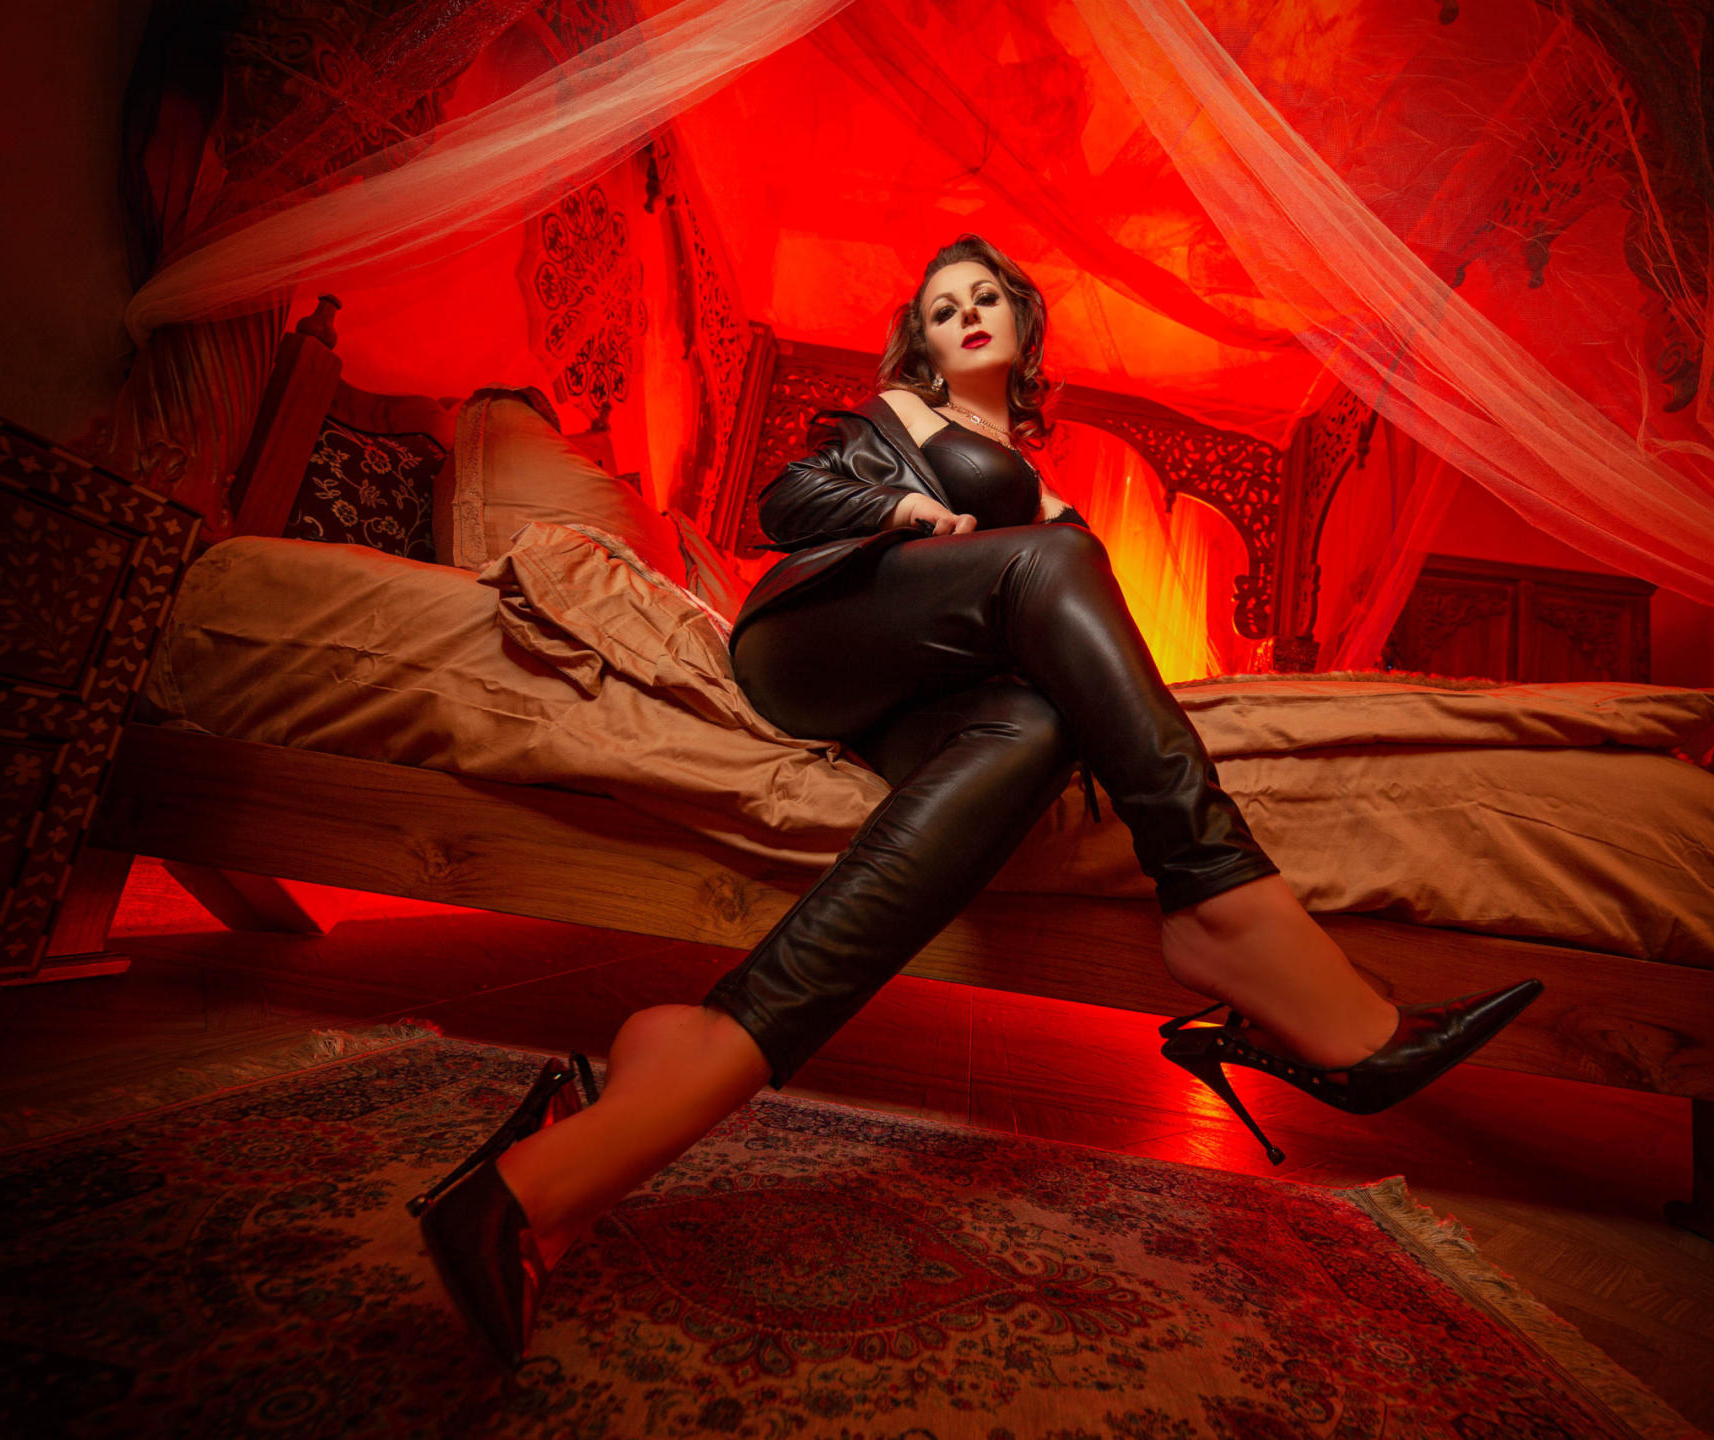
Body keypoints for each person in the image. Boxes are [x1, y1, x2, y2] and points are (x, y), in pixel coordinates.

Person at [410, 234, 1542, 1368]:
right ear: (922, 339)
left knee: (1043, 724)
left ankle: (689, 1062)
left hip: (922, 698)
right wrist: (908, 512)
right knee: (1049, 565)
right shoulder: (900, 417)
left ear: (1021, 323)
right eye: (941, 304)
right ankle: (1223, 900)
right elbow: (788, 500)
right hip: (815, 642)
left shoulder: (1042, 490)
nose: (964, 313)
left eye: (985, 296)